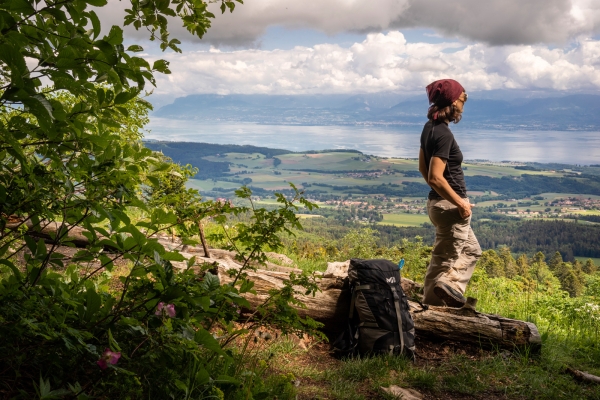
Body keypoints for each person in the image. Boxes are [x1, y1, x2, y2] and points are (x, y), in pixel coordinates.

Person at [418, 79, 482, 307]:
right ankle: (433, 313)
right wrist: (459, 203)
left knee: (472, 251)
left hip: (441, 204)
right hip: (451, 207)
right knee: (443, 263)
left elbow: (423, 169)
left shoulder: (429, 128)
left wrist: (438, 194)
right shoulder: (443, 133)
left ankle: (448, 289)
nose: (464, 105)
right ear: (453, 102)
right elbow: (435, 176)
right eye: (463, 100)